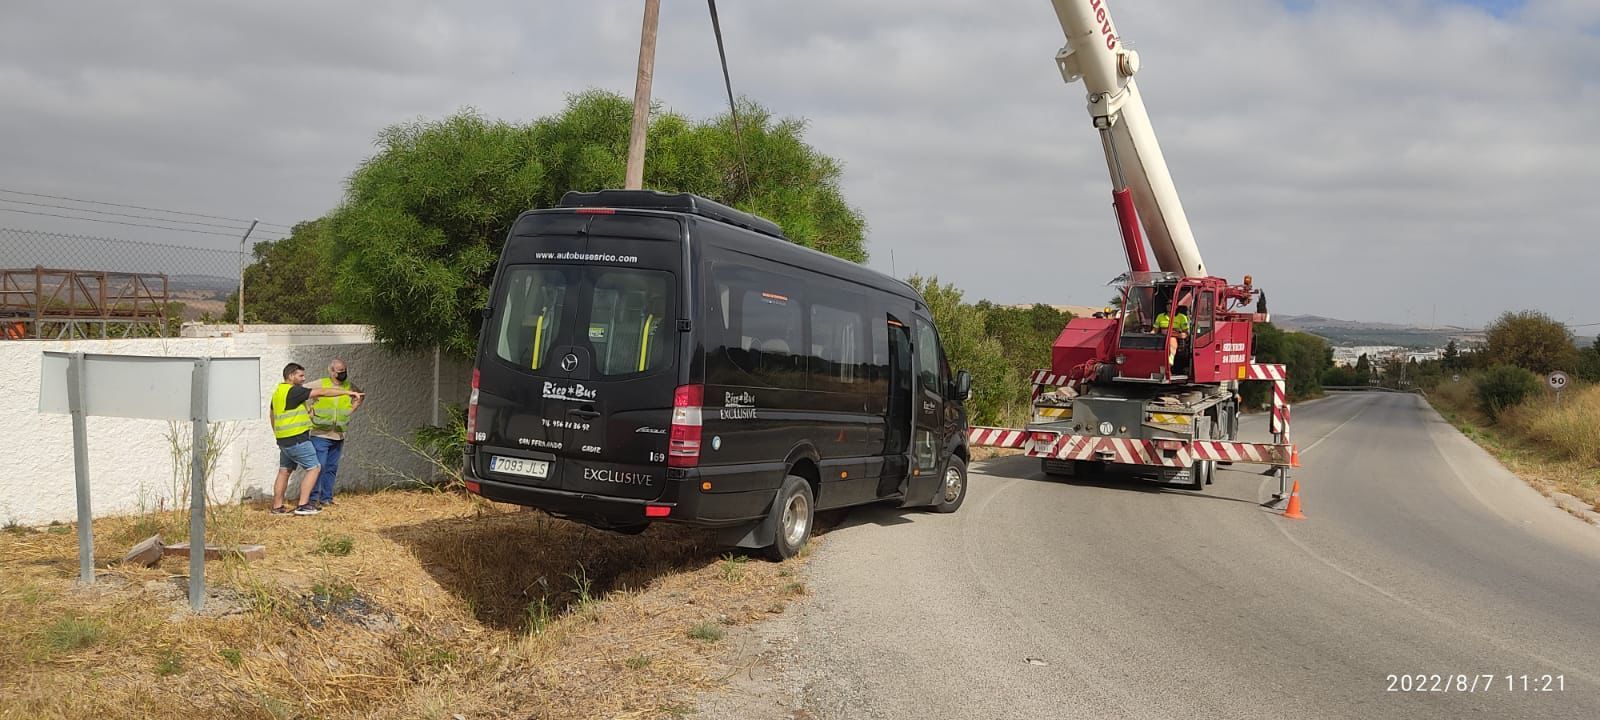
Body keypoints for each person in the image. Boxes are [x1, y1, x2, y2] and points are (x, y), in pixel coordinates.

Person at [270, 362, 363, 516]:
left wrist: (277, 434)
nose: (303, 378)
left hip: (283, 440)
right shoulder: (294, 391)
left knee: (284, 471)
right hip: (297, 438)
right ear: (291, 376)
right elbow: (322, 392)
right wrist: (346, 393)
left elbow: (272, 415)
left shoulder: (278, 392)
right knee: (315, 468)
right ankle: (304, 505)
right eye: (300, 375)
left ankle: (277, 507)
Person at [306, 358, 361, 508]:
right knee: (319, 467)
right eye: (340, 371)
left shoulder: (349, 386)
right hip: (320, 433)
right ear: (331, 371)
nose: (343, 374)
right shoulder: (321, 384)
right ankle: (312, 499)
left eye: (344, 371)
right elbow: (302, 393)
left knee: (331, 468)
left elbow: (360, 395)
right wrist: (308, 411)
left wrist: (351, 410)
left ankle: (326, 498)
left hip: (339, 433)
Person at [1155, 302, 1192, 372]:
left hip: (1175, 336)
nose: (1169, 306)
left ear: (1176, 306)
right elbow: (1155, 330)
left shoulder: (1181, 317)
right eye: (1167, 304)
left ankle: (1171, 358)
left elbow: (1186, 333)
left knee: (1171, 339)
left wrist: (1180, 334)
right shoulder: (1160, 316)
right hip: (1161, 337)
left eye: (1171, 304)